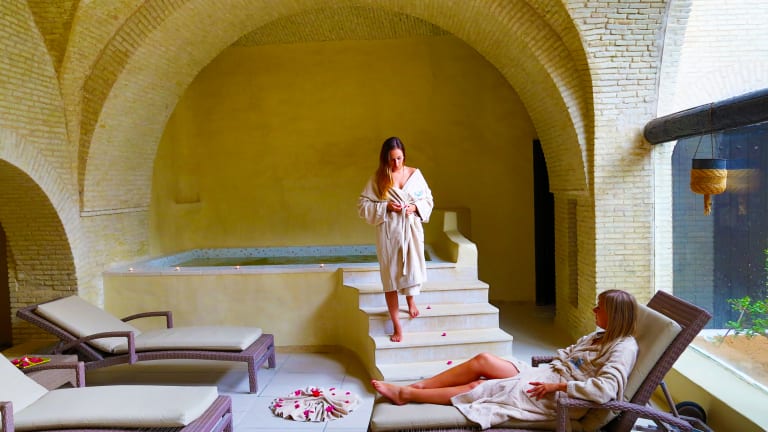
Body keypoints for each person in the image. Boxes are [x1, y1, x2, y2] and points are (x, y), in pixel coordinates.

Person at [371, 289, 639, 429]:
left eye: (600, 307)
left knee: (479, 387)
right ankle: (421, 385)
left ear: (615, 315)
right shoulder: (598, 335)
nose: (594, 309)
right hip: (547, 376)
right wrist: (553, 371)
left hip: (558, 396)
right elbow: (568, 353)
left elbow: (605, 390)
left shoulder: (623, 348)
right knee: (483, 361)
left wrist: (558, 386)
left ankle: (407, 394)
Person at [358, 136, 434, 343]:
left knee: (411, 269)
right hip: (389, 234)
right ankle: (397, 325)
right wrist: (386, 207)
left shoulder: (415, 175)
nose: (396, 163)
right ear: (385, 158)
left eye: (399, 158)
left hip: (411, 230)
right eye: (392, 159)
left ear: (404, 156)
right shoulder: (379, 179)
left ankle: (410, 301)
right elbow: (363, 205)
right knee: (390, 278)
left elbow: (428, 200)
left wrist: (415, 207)